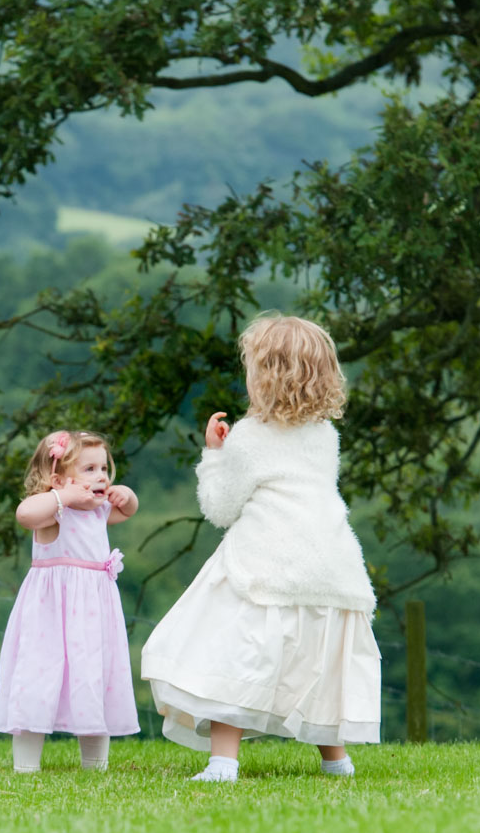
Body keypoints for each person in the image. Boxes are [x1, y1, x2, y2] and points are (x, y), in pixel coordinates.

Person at [141, 314, 381, 782]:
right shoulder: (325, 436)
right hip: (330, 565)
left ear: (263, 375)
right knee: (317, 659)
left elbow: (220, 508)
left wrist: (213, 455)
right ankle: (337, 761)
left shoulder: (249, 438)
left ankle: (223, 763)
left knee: (234, 651)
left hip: (267, 563)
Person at [0, 429, 141, 771]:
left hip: (93, 614)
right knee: (38, 677)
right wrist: (63, 497)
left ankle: (95, 764)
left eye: (104, 469)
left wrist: (126, 495)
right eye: (89, 470)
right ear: (59, 479)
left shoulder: (97, 511)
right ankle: (26, 765)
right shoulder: (53, 512)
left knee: (93, 678)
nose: (101, 476)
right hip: (50, 614)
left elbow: (128, 511)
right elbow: (24, 514)